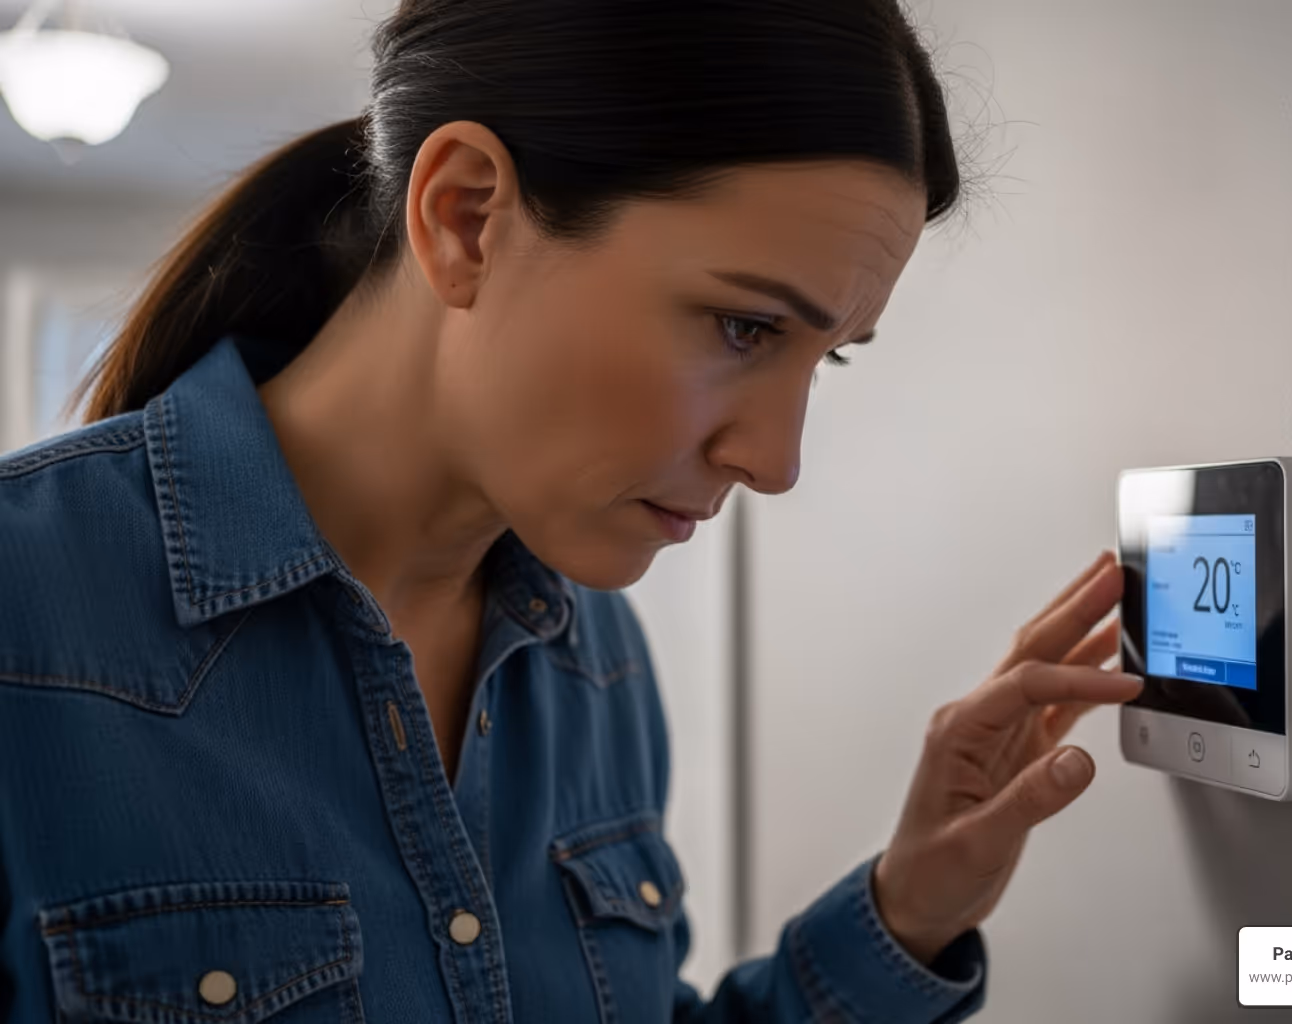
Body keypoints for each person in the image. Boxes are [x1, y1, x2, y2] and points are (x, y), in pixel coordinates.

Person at [0, 1, 1142, 1020]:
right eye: (744, 328)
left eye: (824, 358)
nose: (777, 462)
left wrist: (906, 911)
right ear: (467, 217)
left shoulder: (591, 654)